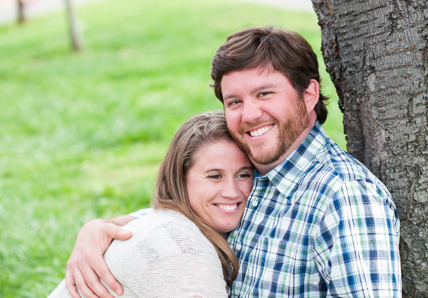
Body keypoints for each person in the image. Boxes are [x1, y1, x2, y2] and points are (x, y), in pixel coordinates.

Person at [64, 26, 402, 298]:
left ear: (309, 94)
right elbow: (184, 212)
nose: (250, 115)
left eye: (265, 94)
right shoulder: (255, 172)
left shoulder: (346, 197)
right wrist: (95, 231)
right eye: (235, 101)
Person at [50, 110, 253, 297]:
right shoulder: (180, 252)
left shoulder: (174, 222)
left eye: (243, 175)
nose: (231, 191)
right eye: (215, 176)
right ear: (180, 179)